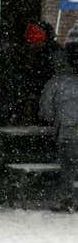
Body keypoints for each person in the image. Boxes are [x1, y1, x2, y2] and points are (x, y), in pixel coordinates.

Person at [39, 37, 78, 213]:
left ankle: (67, 199)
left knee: (68, 168)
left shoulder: (54, 83)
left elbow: (46, 112)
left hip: (67, 132)